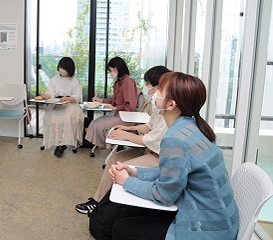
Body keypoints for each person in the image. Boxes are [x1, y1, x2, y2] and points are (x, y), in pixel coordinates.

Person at [104, 72, 238, 240]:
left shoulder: (175, 139)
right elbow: (170, 172)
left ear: (171, 104)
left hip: (204, 229)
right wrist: (134, 172)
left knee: (121, 227)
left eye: (159, 90)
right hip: (220, 221)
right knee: (126, 213)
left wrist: (126, 181)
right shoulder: (193, 127)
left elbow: (163, 195)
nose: (154, 94)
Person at [76, 66, 170, 214]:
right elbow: (149, 126)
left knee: (120, 167)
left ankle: (107, 207)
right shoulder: (158, 109)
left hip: (159, 157)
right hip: (149, 148)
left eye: (147, 84)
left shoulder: (168, 113)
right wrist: (127, 130)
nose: (144, 88)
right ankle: (98, 200)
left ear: (160, 88)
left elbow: (150, 139)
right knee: (114, 158)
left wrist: (126, 134)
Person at [84, 57, 139, 149]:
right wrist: (101, 101)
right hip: (119, 115)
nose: (110, 73)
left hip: (127, 118)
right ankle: (106, 145)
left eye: (110, 70)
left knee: (99, 125)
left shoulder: (128, 82)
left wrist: (115, 108)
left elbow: (131, 106)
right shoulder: (118, 82)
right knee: (94, 122)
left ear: (116, 68)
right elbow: (114, 100)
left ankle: (107, 146)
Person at [39, 57, 83, 157]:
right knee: (51, 116)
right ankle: (58, 142)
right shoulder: (54, 79)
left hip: (70, 105)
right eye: (60, 67)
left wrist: (68, 98)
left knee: (66, 117)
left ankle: (63, 144)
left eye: (63, 68)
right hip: (57, 103)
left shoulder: (74, 81)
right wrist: (46, 96)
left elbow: (77, 97)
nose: (61, 70)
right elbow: (51, 93)